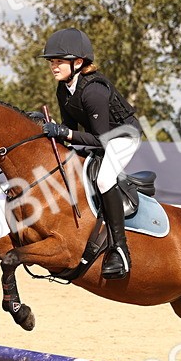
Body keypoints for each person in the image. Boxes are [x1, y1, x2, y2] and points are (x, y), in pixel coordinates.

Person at [39, 27, 142, 279]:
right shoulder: (63, 89)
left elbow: (99, 139)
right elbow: (69, 131)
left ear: (78, 62)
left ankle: (120, 249)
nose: (53, 66)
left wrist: (64, 133)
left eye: (59, 61)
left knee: (105, 179)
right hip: (100, 137)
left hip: (122, 138)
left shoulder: (93, 91)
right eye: (52, 62)